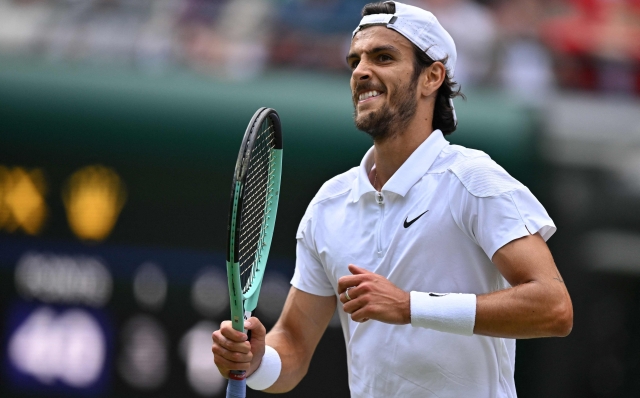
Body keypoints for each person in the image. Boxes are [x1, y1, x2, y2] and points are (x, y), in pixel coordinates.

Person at [212, 2, 573, 396]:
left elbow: (553, 307)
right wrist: (258, 360)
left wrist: (409, 306)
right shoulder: (328, 205)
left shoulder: (474, 179)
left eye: (383, 57)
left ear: (431, 77)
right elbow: (294, 347)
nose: (362, 71)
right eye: (356, 60)